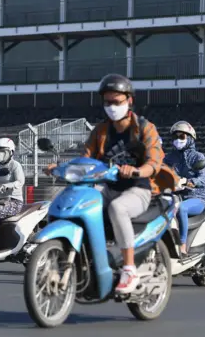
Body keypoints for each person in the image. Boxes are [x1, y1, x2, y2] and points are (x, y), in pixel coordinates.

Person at [44, 73, 164, 294]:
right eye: (107, 102)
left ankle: (129, 269)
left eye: (116, 102)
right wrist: (61, 168)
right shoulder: (100, 130)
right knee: (75, 202)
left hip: (137, 188)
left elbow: (154, 161)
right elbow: (86, 158)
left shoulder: (145, 128)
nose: (111, 107)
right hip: (105, 186)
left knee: (118, 208)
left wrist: (136, 170)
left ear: (129, 101)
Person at [163, 121, 205, 256]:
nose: (178, 140)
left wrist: (189, 182)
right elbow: (161, 172)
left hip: (195, 197)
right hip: (173, 195)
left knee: (181, 208)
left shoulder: (198, 157)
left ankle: (182, 245)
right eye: (175, 137)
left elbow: (204, 178)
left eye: (182, 136)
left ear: (190, 138)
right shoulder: (169, 158)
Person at [0, 137, 25, 247]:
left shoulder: (15, 165)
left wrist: (7, 186)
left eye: (3, 151)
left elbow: (20, 181)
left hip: (13, 201)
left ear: (11, 152)